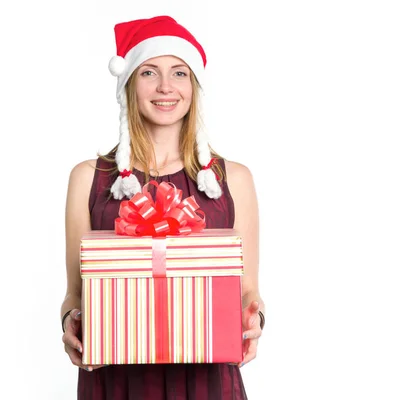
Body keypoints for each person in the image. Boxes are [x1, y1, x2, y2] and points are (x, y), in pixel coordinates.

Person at [60, 15, 265, 399]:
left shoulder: (233, 179)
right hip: (115, 381)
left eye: (180, 73)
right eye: (149, 72)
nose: (166, 87)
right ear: (129, 84)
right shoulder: (89, 178)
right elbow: (75, 293)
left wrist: (256, 321)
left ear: (195, 86)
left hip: (207, 382)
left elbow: (248, 291)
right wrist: (71, 322)